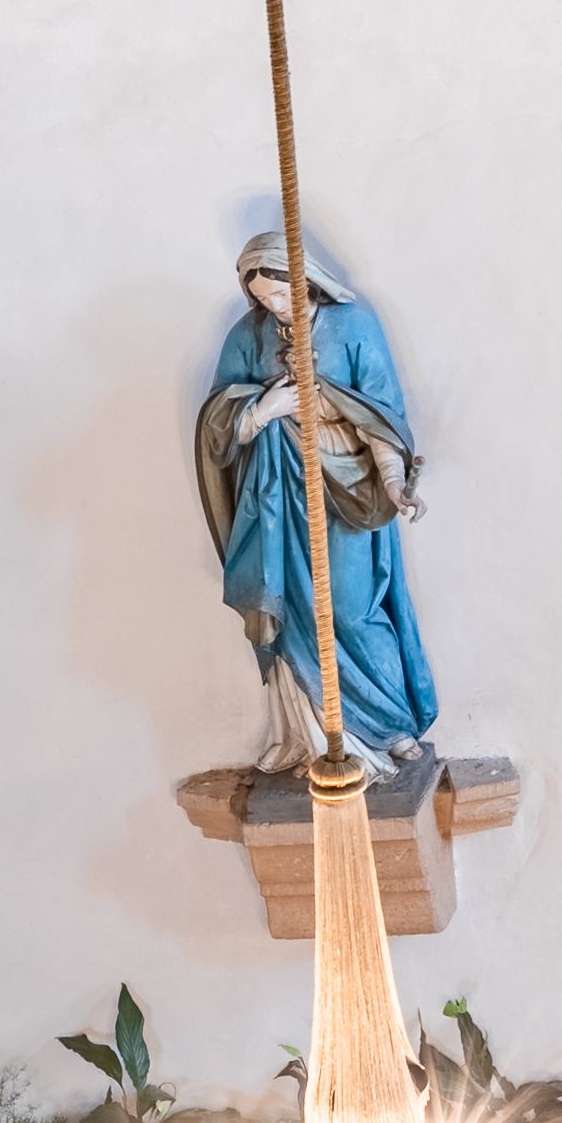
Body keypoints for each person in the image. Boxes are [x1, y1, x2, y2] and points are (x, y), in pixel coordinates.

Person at [197, 229, 437, 766]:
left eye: (280, 294)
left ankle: (389, 724)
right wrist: (263, 410)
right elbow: (216, 425)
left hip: (349, 487)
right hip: (277, 496)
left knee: (353, 609)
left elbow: (380, 417)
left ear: (304, 279)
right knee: (292, 607)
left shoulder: (354, 327)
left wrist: (393, 484)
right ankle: (309, 735)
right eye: (262, 299)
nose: (273, 307)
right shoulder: (247, 335)